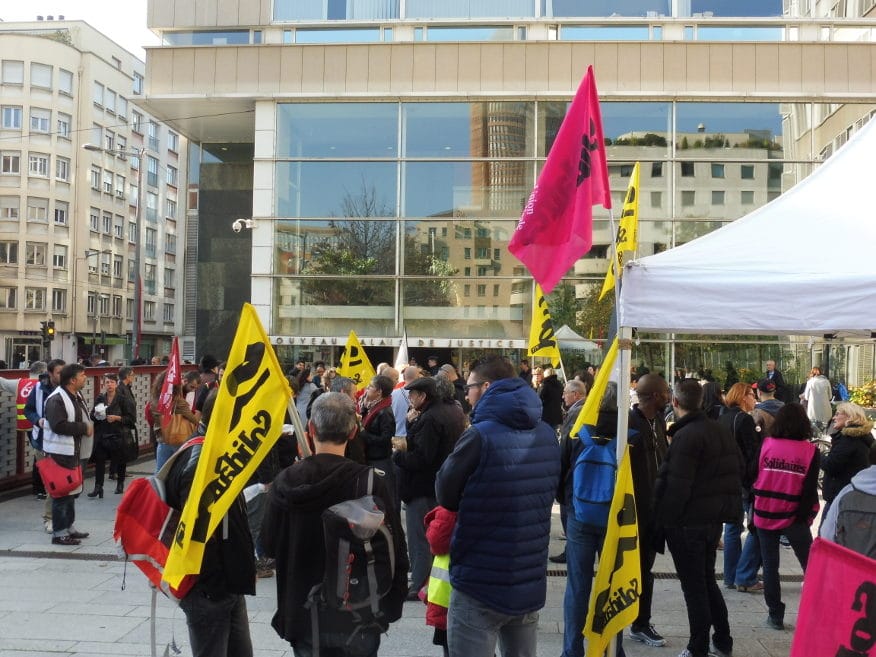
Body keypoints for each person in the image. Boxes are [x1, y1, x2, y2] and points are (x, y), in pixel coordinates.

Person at [261, 392, 408, 657]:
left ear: (311, 429)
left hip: (303, 611)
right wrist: (391, 605)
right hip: (359, 612)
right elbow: (397, 546)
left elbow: (268, 546)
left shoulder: (285, 481)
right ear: (353, 432)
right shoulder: (371, 482)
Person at [436, 356, 560, 657]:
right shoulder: (546, 434)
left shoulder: (479, 436)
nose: (466, 393)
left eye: (470, 386)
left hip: (480, 581)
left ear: (487, 387)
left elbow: (445, 493)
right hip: (527, 578)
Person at [164, 389, 256, 657]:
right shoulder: (200, 461)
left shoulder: (214, 451)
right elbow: (196, 530)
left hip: (227, 583)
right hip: (210, 588)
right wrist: (213, 587)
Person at [653, 379, 740, 657]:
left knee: (695, 587)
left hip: (689, 522)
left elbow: (677, 485)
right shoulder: (719, 430)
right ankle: (722, 639)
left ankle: (698, 646)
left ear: (675, 403)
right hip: (712, 519)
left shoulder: (687, 436)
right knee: (706, 580)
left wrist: (664, 521)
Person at [560, 383, 626, 657]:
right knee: (613, 587)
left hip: (580, 514)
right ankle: (612, 648)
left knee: (578, 584)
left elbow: (561, 468)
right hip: (616, 516)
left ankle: (572, 649)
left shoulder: (579, 425)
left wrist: (568, 505)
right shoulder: (628, 428)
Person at [393, 376, 464, 601]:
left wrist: (399, 456)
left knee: (419, 538)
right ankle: (428, 580)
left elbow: (422, 458)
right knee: (434, 535)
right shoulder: (451, 410)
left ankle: (419, 583)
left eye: (413, 395)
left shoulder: (431, 418)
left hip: (422, 487)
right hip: (439, 484)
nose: (410, 399)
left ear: (424, 396)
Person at [751, 403, 820, 631]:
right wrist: (804, 517)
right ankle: (817, 610)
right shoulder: (810, 451)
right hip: (794, 515)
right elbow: (809, 489)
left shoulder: (767, 444)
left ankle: (775, 615)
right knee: (811, 565)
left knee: (770, 567)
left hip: (765, 511)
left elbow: (752, 474)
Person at [625, 373, 671, 648]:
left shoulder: (658, 420)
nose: (669, 395)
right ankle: (637, 622)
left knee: (646, 568)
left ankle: (641, 621)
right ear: (655, 396)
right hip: (635, 510)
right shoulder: (630, 424)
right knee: (638, 568)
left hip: (655, 510)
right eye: (665, 392)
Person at [42, 363, 94, 546]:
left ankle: (69, 526)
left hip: (74, 453)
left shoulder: (75, 395)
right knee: (62, 494)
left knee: (71, 493)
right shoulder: (56, 399)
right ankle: (59, 533)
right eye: (82, 375)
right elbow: (59, 425)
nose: (85, 377)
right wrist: (84, 428)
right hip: (60, 454)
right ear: (72, 380)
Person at [719, 382, 763, 593]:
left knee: (732, 527)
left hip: (725, 479)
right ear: (742, 396)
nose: (754, 399)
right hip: (744, 481)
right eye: (752, 395)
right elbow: (752, 453)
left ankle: (730, 576)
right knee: (754, 526)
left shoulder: (723, 417)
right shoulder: (744, 419)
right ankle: (743, 575)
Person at [25, 358, 65, 532]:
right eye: (59, 373)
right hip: (41, 442)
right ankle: (49, 519)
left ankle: (63, 519)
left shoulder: (67, 389)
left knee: (62, 483)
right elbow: (28, 409)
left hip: (62, 442)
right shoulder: (38, 389)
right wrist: (37, 420)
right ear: (50, 374)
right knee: (51, 482)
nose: (62, 375)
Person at [551, 378, 588, 564]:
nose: (563, 396)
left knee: (568, 511)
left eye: (566, 393)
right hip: (576, 470)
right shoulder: (579, 410)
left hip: (572, 472)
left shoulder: (577, 412)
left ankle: (571, 550)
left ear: (575, 394)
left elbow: (567, 445)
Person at [3, 361, 46, 499]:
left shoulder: (19, 383)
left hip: (26, 425)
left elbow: (2, 381)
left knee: (38, 454)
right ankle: (40, 488)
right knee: (42, 456)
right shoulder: (44, 385)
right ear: (43, 372)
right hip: (42, 425)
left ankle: (39, 488)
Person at [88, 373, 136, 498]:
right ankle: (98, 487)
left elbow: (131, 419)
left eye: (112, 382)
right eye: (107, 382)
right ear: (104, 384)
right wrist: (98, 415)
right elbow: (92, 415)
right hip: (103, 434)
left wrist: (117, 418)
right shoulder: (100, 398)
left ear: (116, 384)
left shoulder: (122, 399)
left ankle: (120, 483)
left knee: (120, 460)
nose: (109, 385)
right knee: (99, 461)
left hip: (118, 434)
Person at [821, 402, 875, 514]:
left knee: (827, 531)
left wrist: (815, 453)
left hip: (840, 498)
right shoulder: (861, 436)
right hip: (852, 494)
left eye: (837, 414)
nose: (834, 417)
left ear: (850, 417)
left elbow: (831, 465)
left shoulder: (849, 439)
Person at [358, 374, 398, 506]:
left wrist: (363, 433)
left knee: (382, 498)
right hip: (371, 458)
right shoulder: (372, 406)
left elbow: (385, 439)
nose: (366, 389)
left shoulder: (385, 411)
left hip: (380, 461)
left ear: (379, 392)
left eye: (370, 387)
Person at [149, 370, 200, 471]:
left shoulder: (156, 399)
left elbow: (151, 416)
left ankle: (156, 487)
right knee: (178, 471)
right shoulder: (178, 401)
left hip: (162, 440)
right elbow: (194, 420)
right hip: (178, 440)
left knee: (160, 471)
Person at [799, 367, 832, 434]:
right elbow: (830, 396)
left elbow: (807, 397)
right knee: (824, 429)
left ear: (812, 373)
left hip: (813, 409)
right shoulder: (826, 381)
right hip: (825, 409)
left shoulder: (810, 382)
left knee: (814, 429)